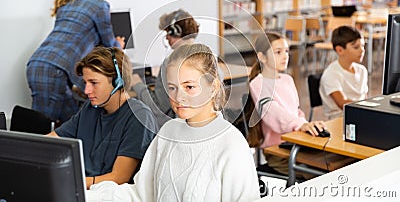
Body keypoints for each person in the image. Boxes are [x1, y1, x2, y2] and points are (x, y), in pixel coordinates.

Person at [86, 43, 260, 201]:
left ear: (213, 87)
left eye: (189, 87)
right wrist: (88, 195)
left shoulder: (232, 145)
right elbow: (141, 194)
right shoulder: (168, 132)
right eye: (172, 88)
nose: (178, 97)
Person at [27, 0, 125, 122]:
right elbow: (109, 45)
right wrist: (119, 45)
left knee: (71, 122)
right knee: (60, 128)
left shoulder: (67, 4)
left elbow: (74, 43)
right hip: (54, 70)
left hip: (38, 64)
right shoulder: (99, 6)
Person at [48, 46, 158, 190]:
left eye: (94, 83)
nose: (86, 91)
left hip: (110, 194)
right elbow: (52, 139)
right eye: (85, 83)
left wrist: (69, 182)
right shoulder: (90, 109)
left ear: (118, 82)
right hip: (85, 188)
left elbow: (118, 178)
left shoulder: (139, 116)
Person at [244, 31, 326, 176]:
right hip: (278, 151)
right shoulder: (258, 83)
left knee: (331, 162)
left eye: (287, 51)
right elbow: (274, 113)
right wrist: (300, 125)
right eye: (278, 52)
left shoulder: (288, 79)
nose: (285, 56)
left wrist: (306, 126)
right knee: (318, 171)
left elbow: (296, 111)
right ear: (261, 57)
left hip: (296, 142)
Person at [131, 9, 199, 128]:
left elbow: (157, 109)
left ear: (176, 32)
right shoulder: (208, 57)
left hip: (178, 130)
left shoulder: (171, 63)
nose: (166, 37)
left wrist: (137, 84)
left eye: (168, 32)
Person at [319, 25, 368, 118]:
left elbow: (364, 98)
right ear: (340, 50)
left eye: (363, 45)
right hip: (339, 120)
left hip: (360, 115)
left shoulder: (362, 70)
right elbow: (343, 104)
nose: (362, 50)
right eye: (356, 47)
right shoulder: (331, 74)